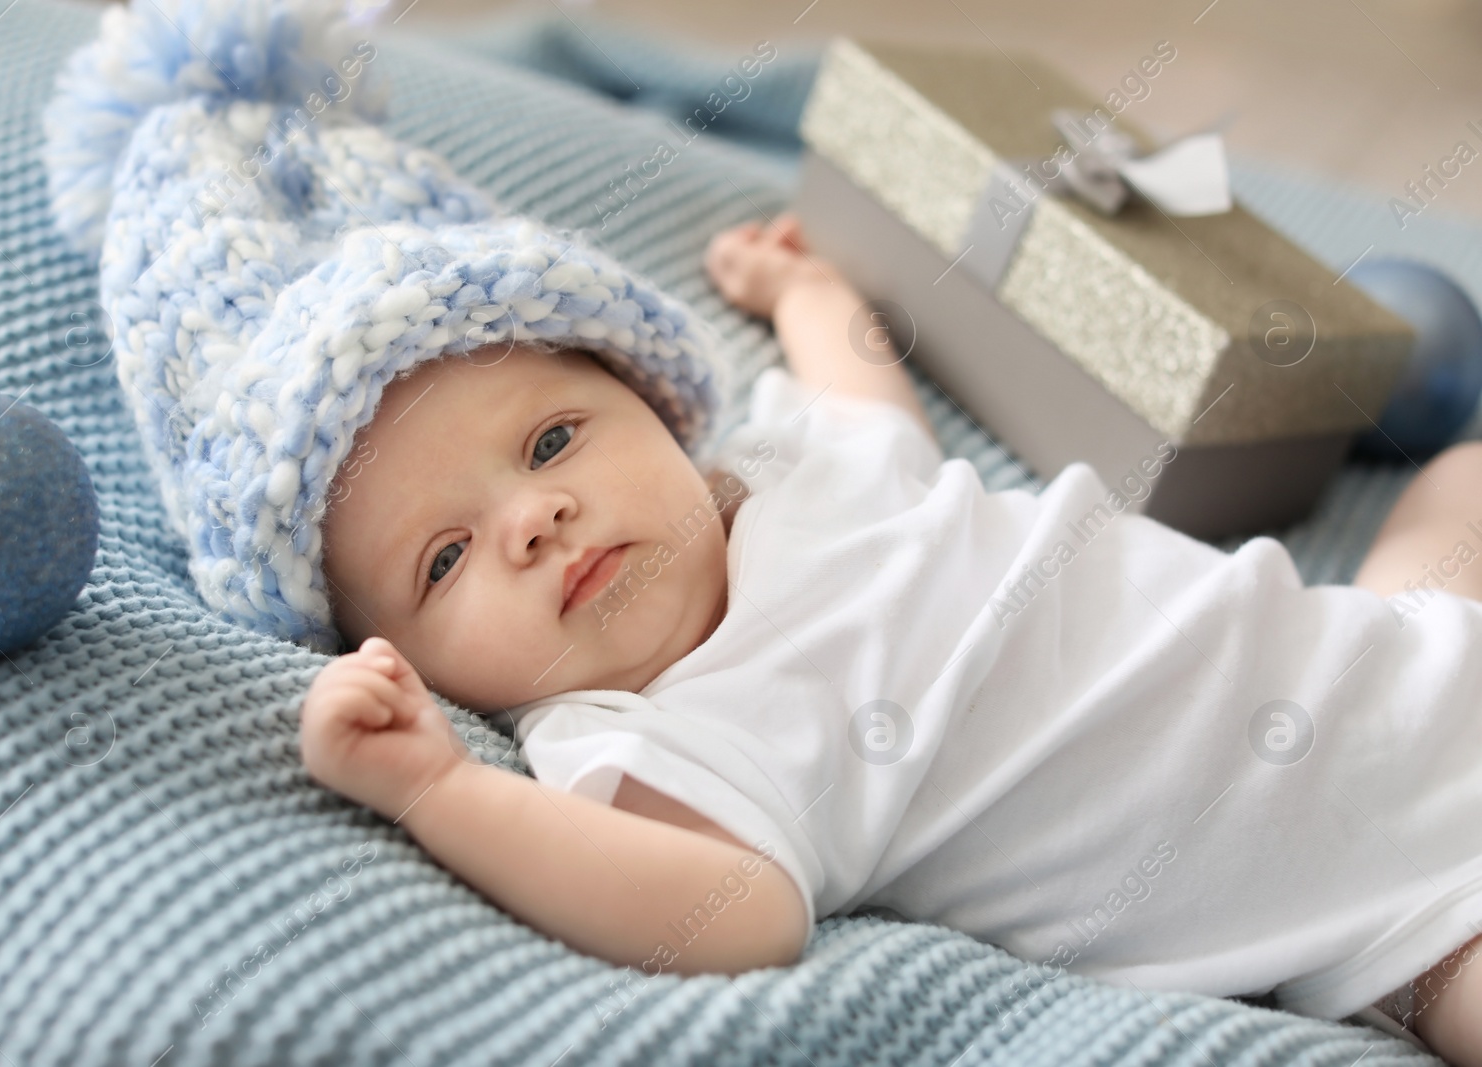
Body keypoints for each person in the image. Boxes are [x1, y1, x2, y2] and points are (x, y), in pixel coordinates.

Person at [301, 214, 1482, 1062]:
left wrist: (810, 299)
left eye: (555, 440)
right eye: (443, 559)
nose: (531, 519)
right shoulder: (643, 740)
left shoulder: (787, 469)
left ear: (662, 418)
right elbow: (735, 915)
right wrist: (439, 789)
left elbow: (867, 404)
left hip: (1408, 643)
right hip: (1409, 902)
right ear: (421, 659)